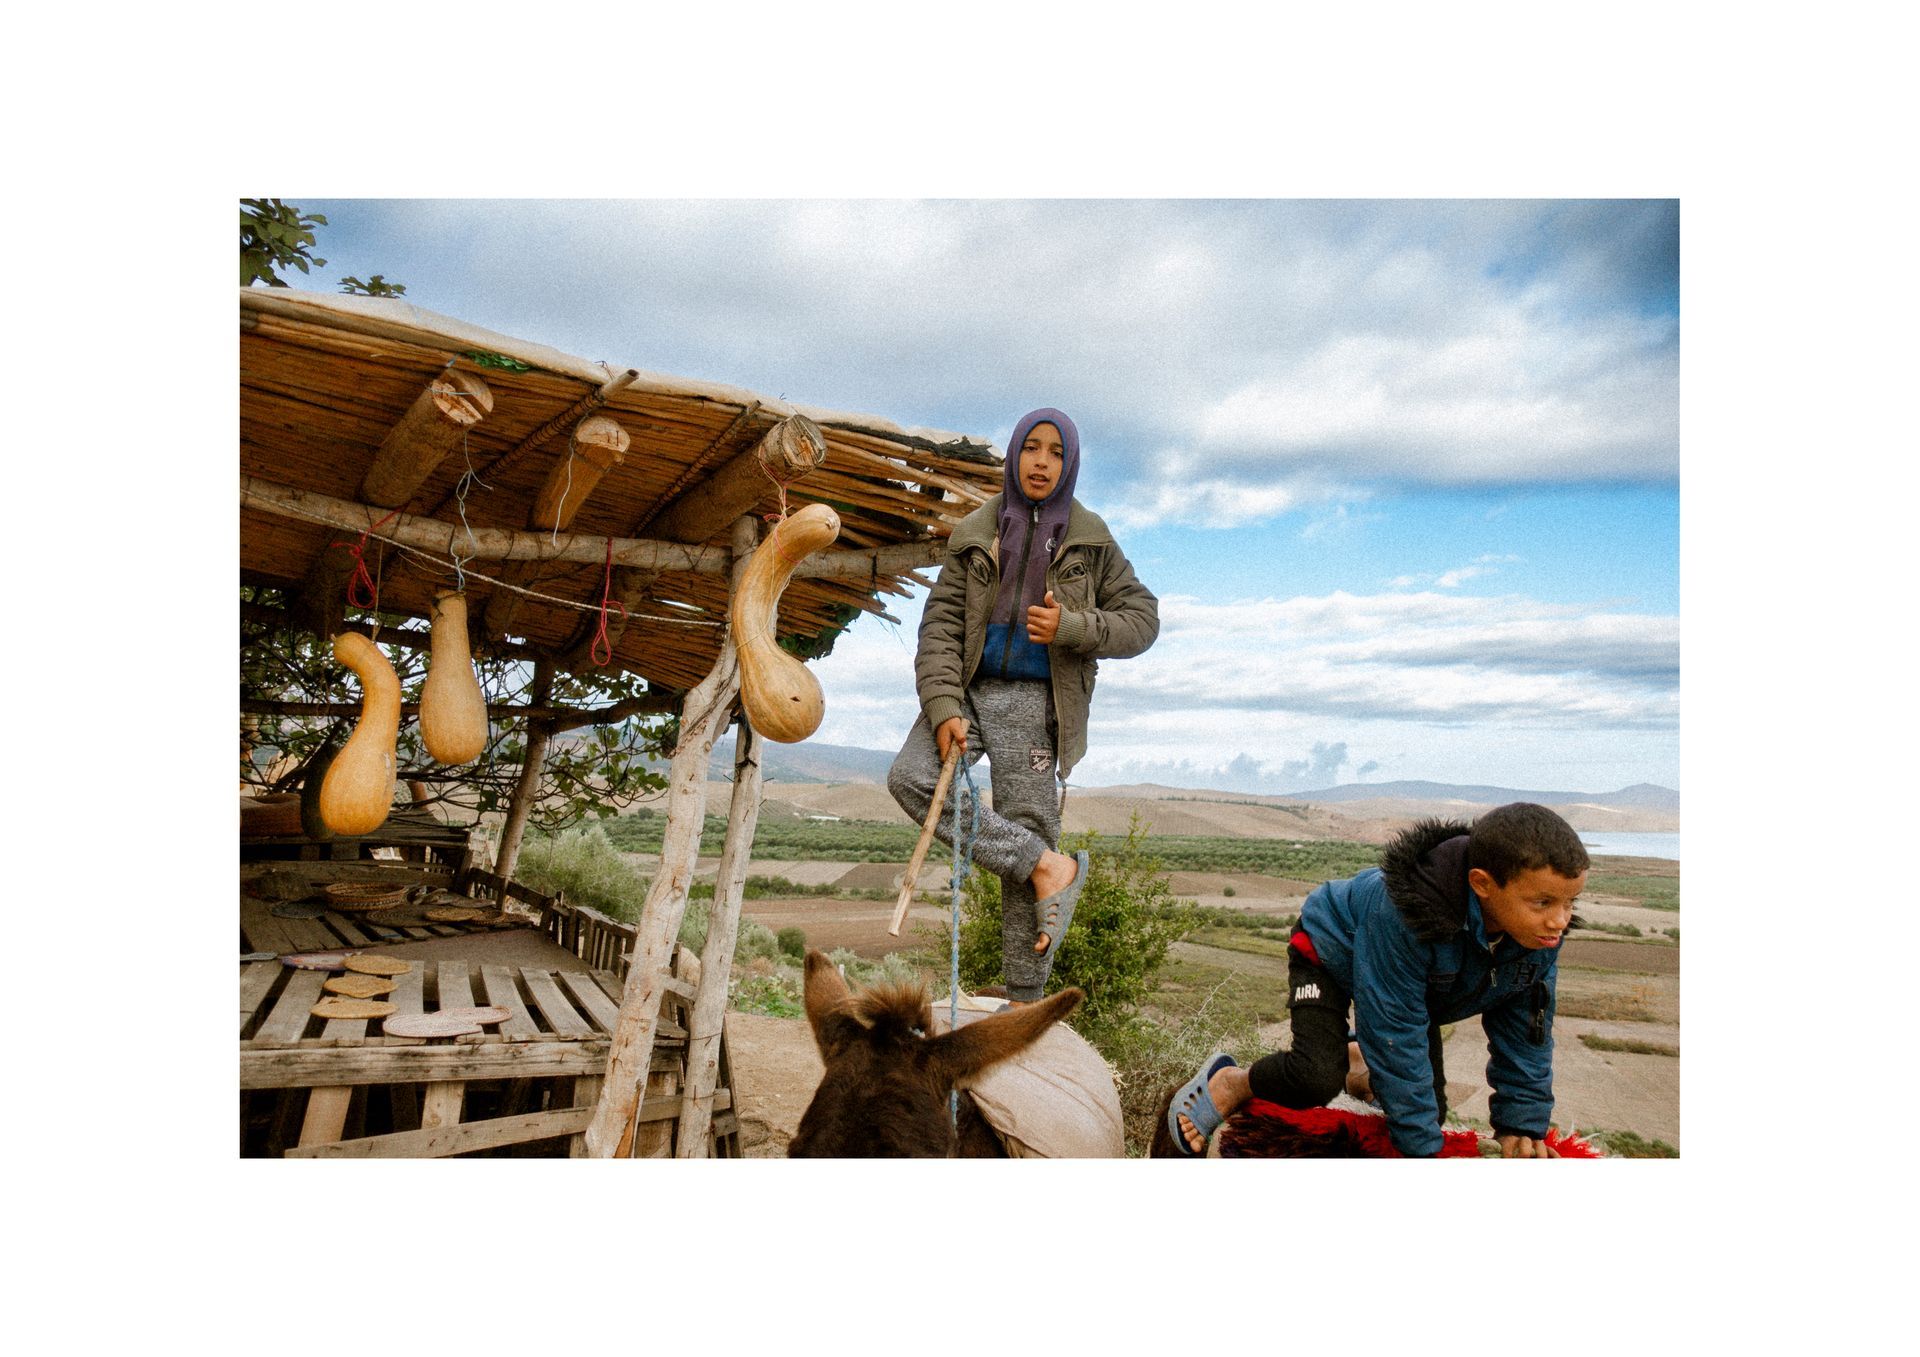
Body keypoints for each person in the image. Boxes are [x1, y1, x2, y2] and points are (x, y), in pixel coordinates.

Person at [888, 408, 1159, 1004]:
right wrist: (942, 707)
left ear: (1071, 464)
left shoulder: (1091, 540)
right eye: (1032, 448)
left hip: (1039, 702)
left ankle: (1025, 998)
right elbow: (939, 627)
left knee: (1028, 821)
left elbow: (1142, 622)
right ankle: (1046, 865)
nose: (1042, 462)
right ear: (1014, 454)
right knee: (910, 778)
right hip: (968, 690)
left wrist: (1071, 627)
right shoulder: (974, 532)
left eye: (1056, 452)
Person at [1168, 803, 1589, 1157]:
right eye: (1543, 902)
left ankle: (1358, 1063)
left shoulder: (1537, 938)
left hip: (1411, 992)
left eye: (1571, 902)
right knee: (1315, 1077)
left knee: (1431, 1113)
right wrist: (1423, 1157)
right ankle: (1233, 1081)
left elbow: (1526, 1034)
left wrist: (1521, 1125)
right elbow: (1395, 1028)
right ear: (1482, 883)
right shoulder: (1408, 914)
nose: (1560, 920)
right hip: (1329, 949)